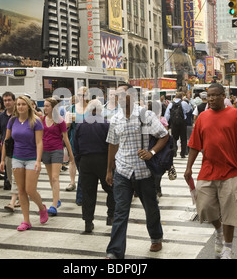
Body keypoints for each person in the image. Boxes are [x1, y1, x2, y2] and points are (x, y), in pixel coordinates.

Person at [184, 83, 237, 259]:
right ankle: (218, 230)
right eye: (209, 96)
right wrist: (188, 168)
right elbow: (194, 145)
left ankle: (228, 248)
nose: (211, 99)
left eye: (215, 95)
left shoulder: (236, 115)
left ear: (224, 96)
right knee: (205, 207)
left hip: (231, 172)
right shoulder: (202, 117)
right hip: (207, 171)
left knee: (230, 210)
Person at [105, 83, 169, 259]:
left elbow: (164, 135)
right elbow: (113, 143)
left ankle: (156, 237)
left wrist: (151, 152)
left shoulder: (145, 115)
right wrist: (109, 170)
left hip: (144, 172)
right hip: (123, 171)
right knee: (120, 211)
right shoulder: (115, 119)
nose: (118, 98)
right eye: (115, 95)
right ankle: (115, 252)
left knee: (150, 207)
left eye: (122, 94)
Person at [0, 96, 48, 230]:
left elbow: (39, 142)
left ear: (28, 106)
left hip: (32, 158)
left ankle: (41, 208)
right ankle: (26, 221)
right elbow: (6, 141)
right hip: (17, 158)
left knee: (30, 190)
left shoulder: (36, 121)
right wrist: (2, 159)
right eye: (18, 104)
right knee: (21, 190)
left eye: (23, 104)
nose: (20, 107)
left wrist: (38, 160)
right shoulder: (12, 121)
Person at [73, 99, 114, 232]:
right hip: (103, 160)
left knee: (87, 192)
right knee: (111, 189)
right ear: (100, 110)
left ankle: (88, 222)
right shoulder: (107, 124)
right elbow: (111, 145)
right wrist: (111, 165)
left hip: (86, 161)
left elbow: (76, 146)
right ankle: (111, 217)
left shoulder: (80, 125)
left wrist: (80, 160)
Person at [42, 97, 74, 216]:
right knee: (51, 178)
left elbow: (65, 138)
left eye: (47, 106)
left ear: (53, 108)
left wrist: (71, 155)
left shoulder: (60, 121)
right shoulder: (41, 120)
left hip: (57, 150)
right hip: (45, 150)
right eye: (44, 106)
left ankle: (54, 205)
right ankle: (58, 199)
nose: (45, 108)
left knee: (55, 177)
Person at [65, 87, 89, 200]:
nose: (81, 97)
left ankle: (81, 196)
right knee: (81, 169)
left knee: (84, 170)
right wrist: (67, 120)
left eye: (83, 95)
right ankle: (81, 195)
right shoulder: (72, 108)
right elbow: (66, 126)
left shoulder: (91, 108)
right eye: (79, 94)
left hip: (89, 141)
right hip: (75, 142)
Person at [164, 91, 191, 158]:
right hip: (182, 123)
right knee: (183, 138)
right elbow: (189, 110)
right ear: (182, 96)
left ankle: (174, 152)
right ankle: (183, 153)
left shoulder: (171, 104)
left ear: (175, 97)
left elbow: (167, 114)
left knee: (174, 138)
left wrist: (166, 123)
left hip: (174, 123)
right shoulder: (184, 103)